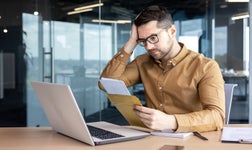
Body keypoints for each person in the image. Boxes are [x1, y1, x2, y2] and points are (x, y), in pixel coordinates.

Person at [98, 5, 225, 133]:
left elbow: (217, 117)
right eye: (142, 41)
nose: (148, 46)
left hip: (192, 139)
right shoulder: (142, 62)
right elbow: (106, 84)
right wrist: (131, 42)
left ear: (172, 32)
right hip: (151, 138)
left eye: (153, 38)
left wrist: (171, 121)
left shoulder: (205, 66)